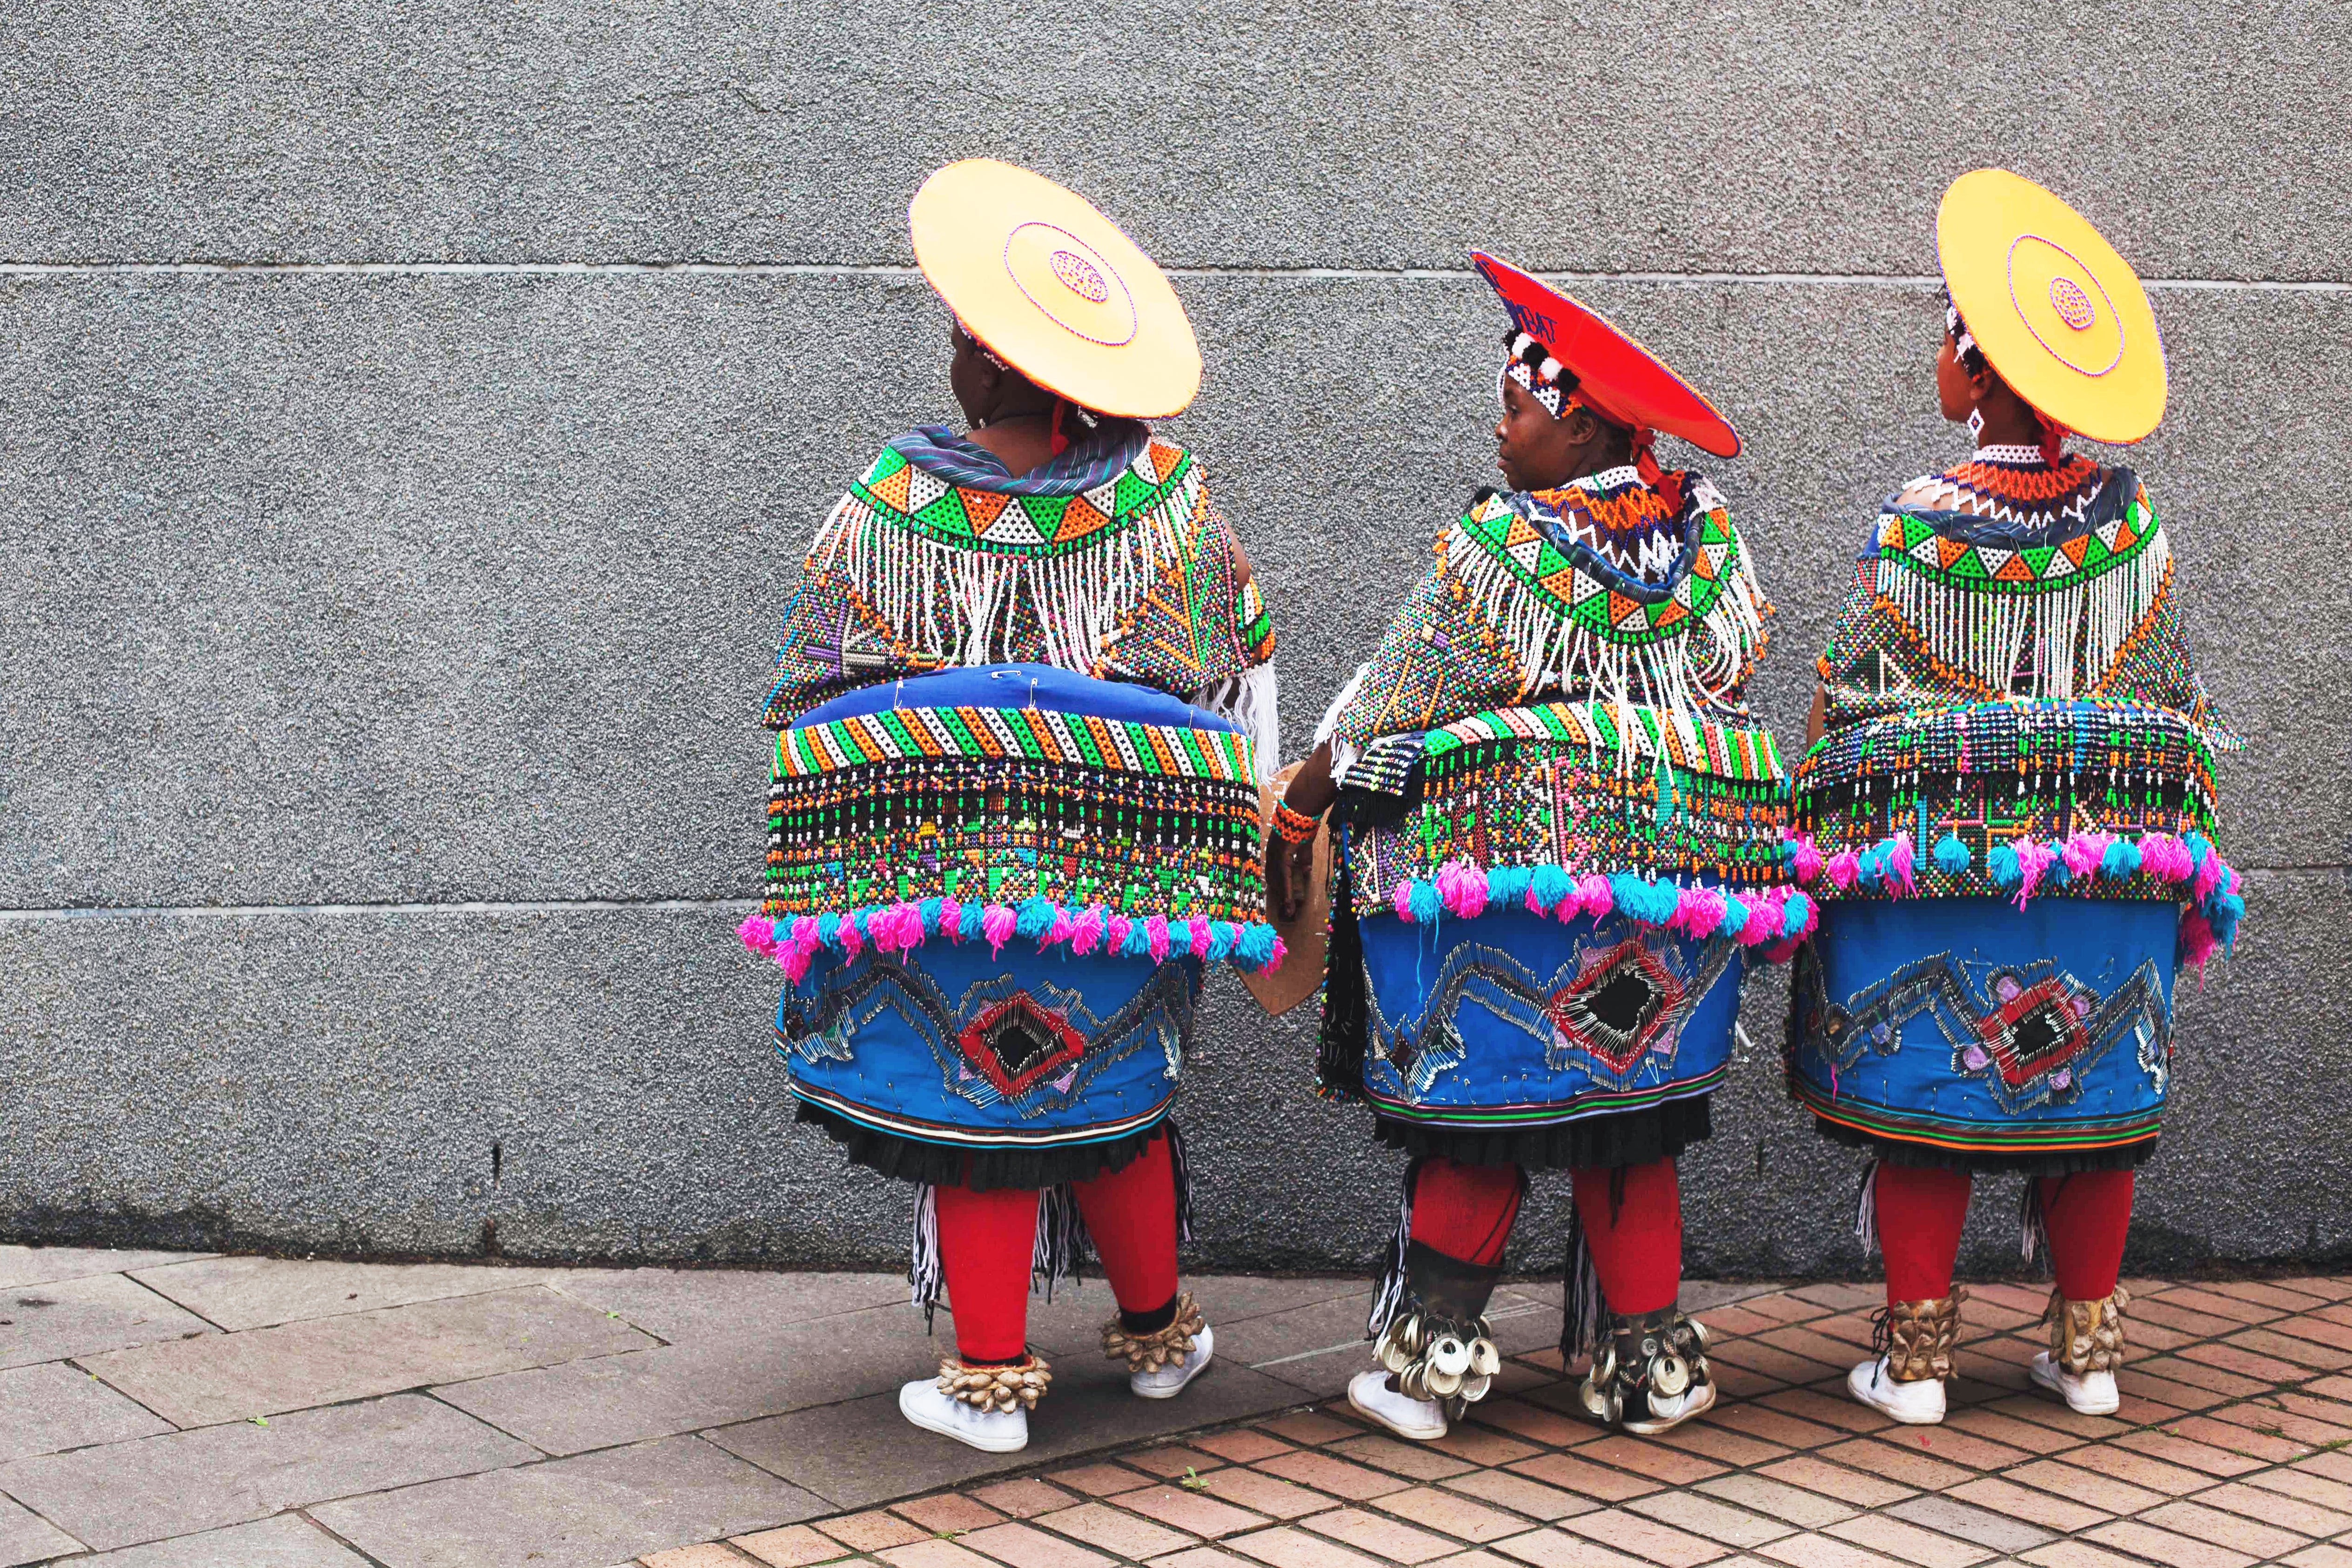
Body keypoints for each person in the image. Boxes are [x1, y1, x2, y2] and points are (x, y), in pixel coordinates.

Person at [742, 159, 1284, 1454]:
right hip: (1126, 887)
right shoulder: (1172, 506)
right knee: (1108, 1096)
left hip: (949, 872)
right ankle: (1158, 1336)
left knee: (980, 1095)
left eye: (963, 335)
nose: (953, 352)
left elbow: (809, 690)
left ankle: (987, 1376)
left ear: (994, 371)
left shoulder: (891, 508)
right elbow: (1241, 670)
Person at [1268, 253, 1806, 1441]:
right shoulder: (1704, 541)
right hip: (1674, 882)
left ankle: (1425, 1372)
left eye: (1515, 408)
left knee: (1488, 1110)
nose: (1500, 429)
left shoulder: (1502, 550)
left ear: (1571, 428)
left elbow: (1397, 697)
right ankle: (1650, 1369)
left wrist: (1306, 793)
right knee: (1630, 1121)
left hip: (1514, 876)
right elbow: (1731, 663)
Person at [1784, 168, 2244, 1426]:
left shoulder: (1920, 526)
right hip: (2100, 874)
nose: (1938, 356)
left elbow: (1849, 691)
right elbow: (2171, 685)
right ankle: (2089, 1356)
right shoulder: (2127, 526)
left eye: (1946, 336)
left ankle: (1919, 1360)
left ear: (1979, 371)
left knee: (1932, 1103)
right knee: (2092, 1106)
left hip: (1944, 876)